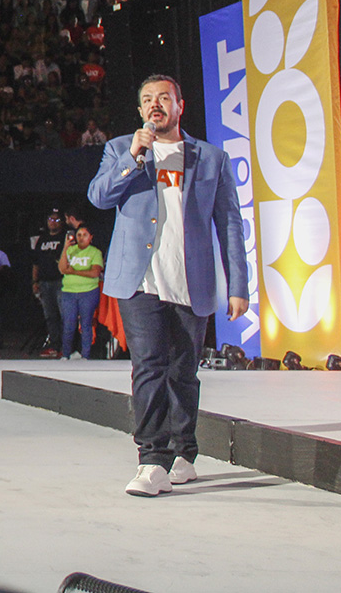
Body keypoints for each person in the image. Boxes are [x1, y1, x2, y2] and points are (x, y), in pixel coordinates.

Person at [88, 74, 248, 497]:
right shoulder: (121, 148)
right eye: (147, 100)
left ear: (180, 106)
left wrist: (238, 285)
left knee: (183, 372)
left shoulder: (211, 158)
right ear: (140, 110)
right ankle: (151, 459)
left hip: (190, 280)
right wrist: (133, 158)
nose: (154, 105)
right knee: (149, 366)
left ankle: (183, 452)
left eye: (163, 98)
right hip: (140, 280)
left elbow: (230, 224)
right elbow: (99, 197)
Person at [57, 225, 102, 360]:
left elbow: (95, 272)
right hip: (69, 291)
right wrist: (65, 247)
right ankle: (65, 354)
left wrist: (74, 271)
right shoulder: (71, 250)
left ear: (91, 237)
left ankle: (85, 355)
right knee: (68, 324)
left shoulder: (95, 252)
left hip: (88, 291)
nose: (81, 238)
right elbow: (62, 269)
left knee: (86, 323)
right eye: (79, 235)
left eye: (84, 235)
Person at [31, 210, 67, 358]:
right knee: (50, 316)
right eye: (50, 220)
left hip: (60, 281)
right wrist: (35, 281)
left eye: (56, 220)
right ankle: (54, 345)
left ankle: (66, 347)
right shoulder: (42, 239)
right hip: (44, 282)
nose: (53, 222)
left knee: (64, 315)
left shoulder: (64, 238)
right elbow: (36, 262)